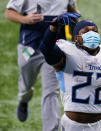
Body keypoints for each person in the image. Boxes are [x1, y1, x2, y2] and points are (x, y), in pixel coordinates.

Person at [40, 18, 101, 131]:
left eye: (95, 31)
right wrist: (53, 28)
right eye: (86, 31)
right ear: (76, 38)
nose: (92, 33)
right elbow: (46, 50)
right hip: (73, 126)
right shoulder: (66, 54)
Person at [4, 0, 78, 130]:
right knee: (26, 84)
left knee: (51, 92)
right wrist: (25, 19)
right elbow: (9, 12)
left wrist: (76, 34)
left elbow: (72, 10)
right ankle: (24, 99)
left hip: (55, 48)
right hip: (30, 46)